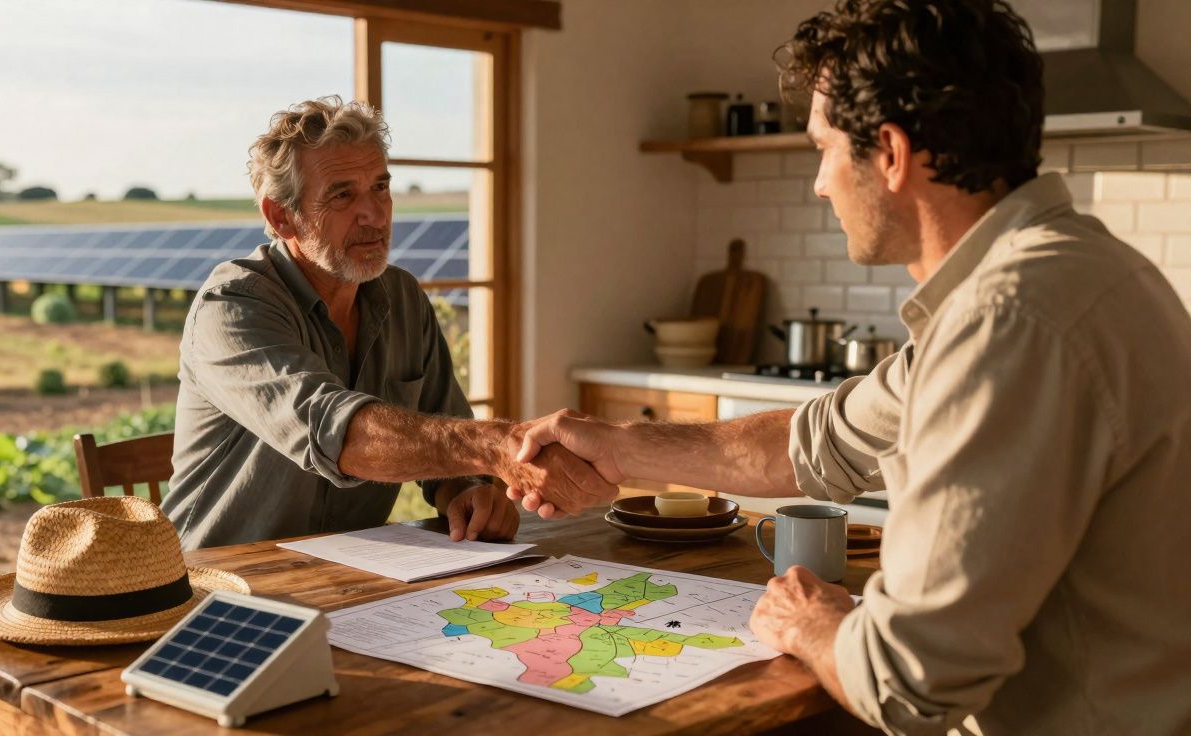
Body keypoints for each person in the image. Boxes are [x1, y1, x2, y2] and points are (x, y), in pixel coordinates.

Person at [510, 1, 1191, 733]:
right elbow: (816, 443)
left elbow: (911, 683)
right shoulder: (1076, 273)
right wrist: (615, 445)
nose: (820, 183)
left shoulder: (1005, 323)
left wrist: (812, 623)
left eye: (824, 148)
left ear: (891, 155)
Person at [164, 97, 616, 550]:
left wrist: (468, 488)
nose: (376, 215)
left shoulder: (402, 298)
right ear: (282, 217)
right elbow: (337, 433)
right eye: (342, 194)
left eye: (380, 187)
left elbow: (449, 430)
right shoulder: (232, 307)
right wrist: (500, 447)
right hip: (221, 587)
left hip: (353, 575)